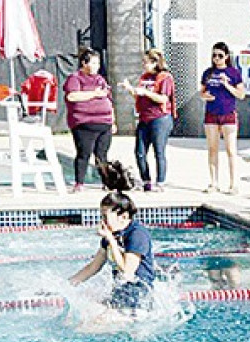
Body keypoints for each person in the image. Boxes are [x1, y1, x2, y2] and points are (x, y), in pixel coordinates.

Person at [69, 161, 156, 311]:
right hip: (121, 296)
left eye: (105, 216)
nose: (102, 221)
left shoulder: (137, 235)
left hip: (138, 302)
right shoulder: (112, 234)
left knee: (89, 327)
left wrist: (111, 240)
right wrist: (66, 286)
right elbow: (92, 267)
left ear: (123, 216)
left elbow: (127, 272)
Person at [119, 48, 175, 192]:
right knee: (140, 151)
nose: (143, 65)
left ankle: (160, 182)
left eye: (146, 62)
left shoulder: (165, 77)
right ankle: (146, 181)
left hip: (160, 118)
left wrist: (146, 92)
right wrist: (130, 89)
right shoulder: (144, 77)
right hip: (144, 118)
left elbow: (163, 98)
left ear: (155, 62)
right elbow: (139, 96)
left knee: (159, 151)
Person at [63, 47, 115, 193]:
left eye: (98, 64)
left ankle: (107, 182)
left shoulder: (100, 80)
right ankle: (79, 183)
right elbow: (72, 96)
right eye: (93, 63)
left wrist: (113, 120)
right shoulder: (75, 78)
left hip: (104, 123)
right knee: (83, 153)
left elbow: (109, 100)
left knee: (102, 155)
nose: (96, 67)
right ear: (84, 63)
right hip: (84, 123)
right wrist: (93, 94)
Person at [199, 42, 245, 194]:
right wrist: (204, 96)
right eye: (214, 55)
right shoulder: (208, 73)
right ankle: (213, 182)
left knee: (231, 150)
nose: (216, 59)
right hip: (211, 113)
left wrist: (227, 85)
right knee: (212, 149)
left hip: (228, 114)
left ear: (226, 56)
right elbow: (202, 91)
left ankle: (234, 184)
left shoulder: (233, 73)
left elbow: (241, 94)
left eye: (220, 55)